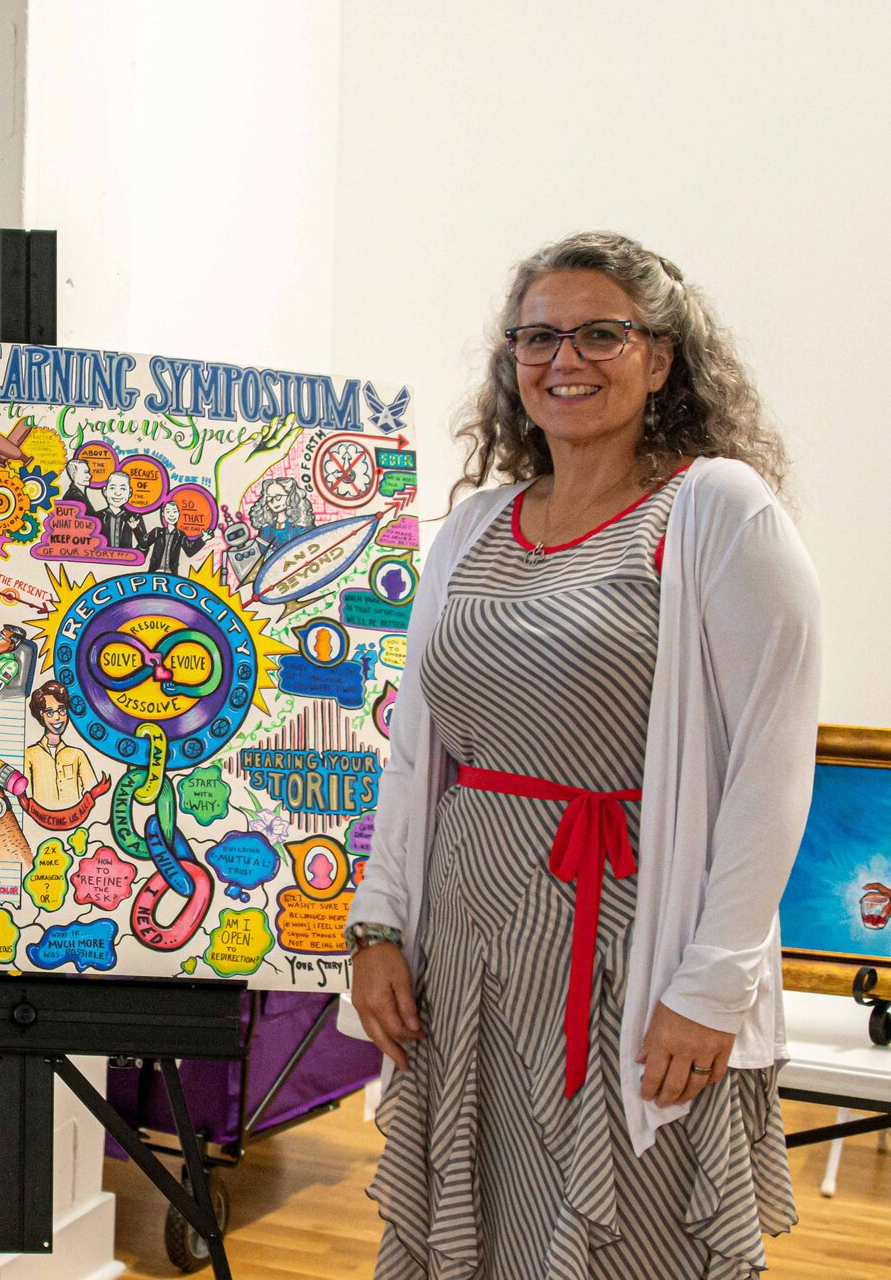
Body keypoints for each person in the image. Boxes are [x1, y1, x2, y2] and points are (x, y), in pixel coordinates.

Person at [346, 231, 819, 1279]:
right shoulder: (471, 527)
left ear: (659, 357)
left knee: (629, 1232)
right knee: (489, 1223)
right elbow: (417, 752)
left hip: (623, 942)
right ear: (509, 361)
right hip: (465, 945)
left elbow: (771, 768)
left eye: (601, 333)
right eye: (537, 336)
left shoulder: (714, 510)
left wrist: (711, 984)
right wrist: (376, 924)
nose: (565, 358)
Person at [23, 682, 97, 811]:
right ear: (41, 714)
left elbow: (93, 792)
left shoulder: (77, 755)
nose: (57, 718)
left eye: (62, 710)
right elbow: (25, 794)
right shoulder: (29, 755)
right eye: (50, 712)